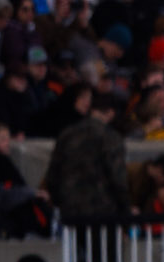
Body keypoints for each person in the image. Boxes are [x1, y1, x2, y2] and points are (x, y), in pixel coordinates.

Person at [44, 83, 133, 225]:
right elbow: (118, 178)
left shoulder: (67, 134)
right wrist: (126, 210)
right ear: (111, 113)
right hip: (103, 212)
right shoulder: (110, 137)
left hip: (70, 209)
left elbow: (52, 175)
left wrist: (58, 201)